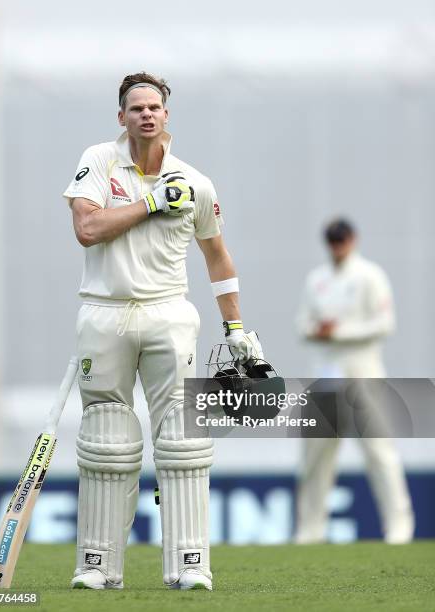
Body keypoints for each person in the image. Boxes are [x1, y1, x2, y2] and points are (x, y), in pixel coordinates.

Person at [62, 72, 262, 591]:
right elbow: (87, 229)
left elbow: (217, 256)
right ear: (121, 116)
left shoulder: (195, 182)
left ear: (166, 115)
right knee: (106, 437)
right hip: (104, 311)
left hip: (168, 312)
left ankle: (190, 564)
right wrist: (151, 203)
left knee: (182, 437)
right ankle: (97, 565)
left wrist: (236, 328)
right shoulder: (99, 162)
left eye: (154, 107)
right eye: (136, 108)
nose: (146, 115)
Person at [295, 218, 414, 544]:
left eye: (341, 239)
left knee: (379, 453)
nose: (337, 246)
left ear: (353, 239)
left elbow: (384, 324)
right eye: (332, 240)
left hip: (364, 377)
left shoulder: (370, 275)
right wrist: (317, 331)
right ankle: (310, 531)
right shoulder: (316, 279)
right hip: (325, 380)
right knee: (315, 459)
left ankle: (398, 528)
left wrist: (339, 332)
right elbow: (302, 324)